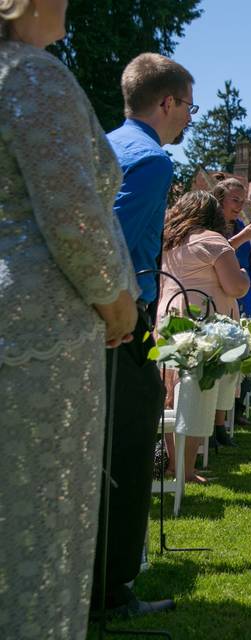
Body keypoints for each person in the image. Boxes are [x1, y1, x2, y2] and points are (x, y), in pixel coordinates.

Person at [0, 3, 138, 634]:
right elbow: (74, 220)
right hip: (42, 335)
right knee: (41, 526)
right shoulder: (33, 76)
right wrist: (118, 300)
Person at [93, 51, 194, 618]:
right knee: (128, 451)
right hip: (117, 324)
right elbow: (109, 237)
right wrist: (122, 308)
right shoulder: (153, 160)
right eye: (188, 108)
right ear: (168, 102)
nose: (187, 120)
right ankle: (114, 589)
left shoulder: (106, 141)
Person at [156, 191, 249, 482]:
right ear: (214, 216)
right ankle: (185, 469)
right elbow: (235, 287)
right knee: (196, 395)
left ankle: (175, 464)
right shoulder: (212, 240)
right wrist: (245, 275)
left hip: (167, 321)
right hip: (200, 325)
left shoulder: (169, 241)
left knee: (171, 396)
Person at [212, 176, 251, 317]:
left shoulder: (240, 226)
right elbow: (214, 254)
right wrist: (243, 237)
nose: (240, 206)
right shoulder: (209, 227)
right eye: (235, 200)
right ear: (220, 200)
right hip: (219, 295)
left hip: (244, 295)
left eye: (242, 202)